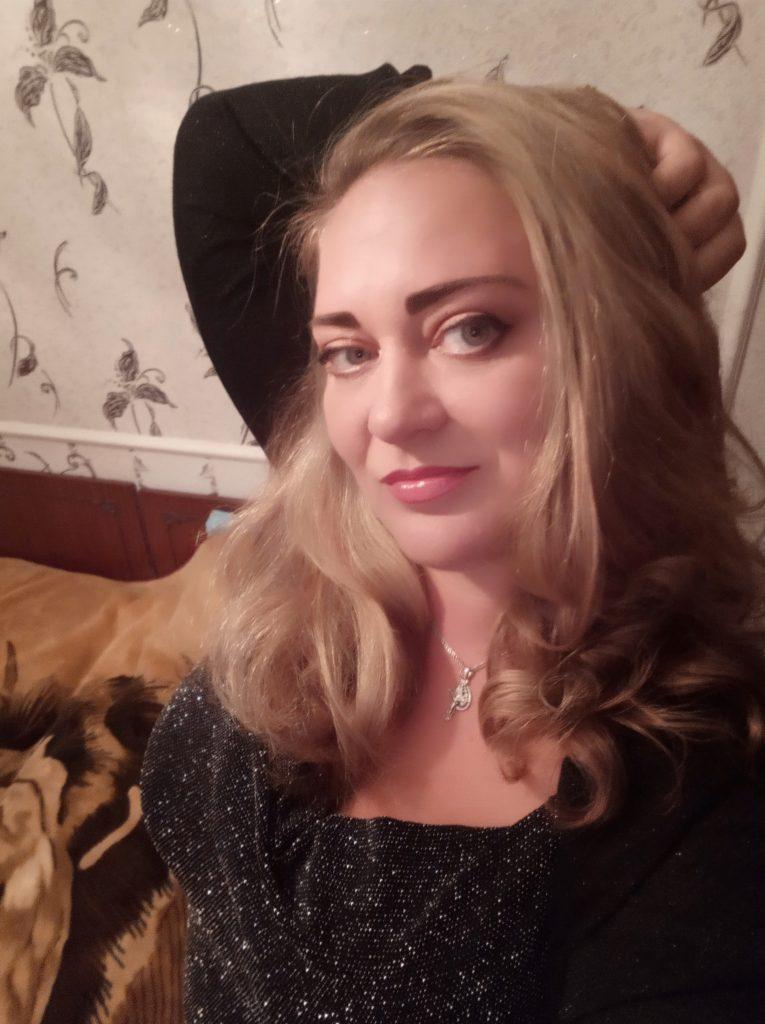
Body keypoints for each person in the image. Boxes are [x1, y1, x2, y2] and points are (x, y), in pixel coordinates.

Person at [140, 67, 764, 1023]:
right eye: (348, 350)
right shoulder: (333, 536)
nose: (389, 417)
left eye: (470, 329)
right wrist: (600, 137)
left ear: (621, 341)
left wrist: (579, 177)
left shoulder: (704, 800)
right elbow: (225, 142)